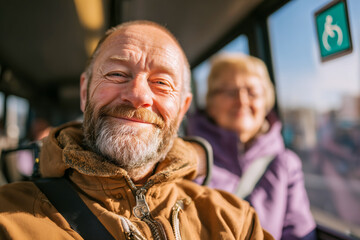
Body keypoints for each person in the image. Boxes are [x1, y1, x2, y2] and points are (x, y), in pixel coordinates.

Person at [0, 21, 273, 240]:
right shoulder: (9, 218)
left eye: (162, 82)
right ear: (85, 92)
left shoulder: (235, 222)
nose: (138, 95)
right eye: (117, 73)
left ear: (182, 109)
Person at [187, 53, 317, 240]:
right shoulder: (187, 159)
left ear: (266, 102)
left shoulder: (286, 164)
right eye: (230, 92)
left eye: (253, 92)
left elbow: (299, 233)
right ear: (210, 103)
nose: (242, 100)